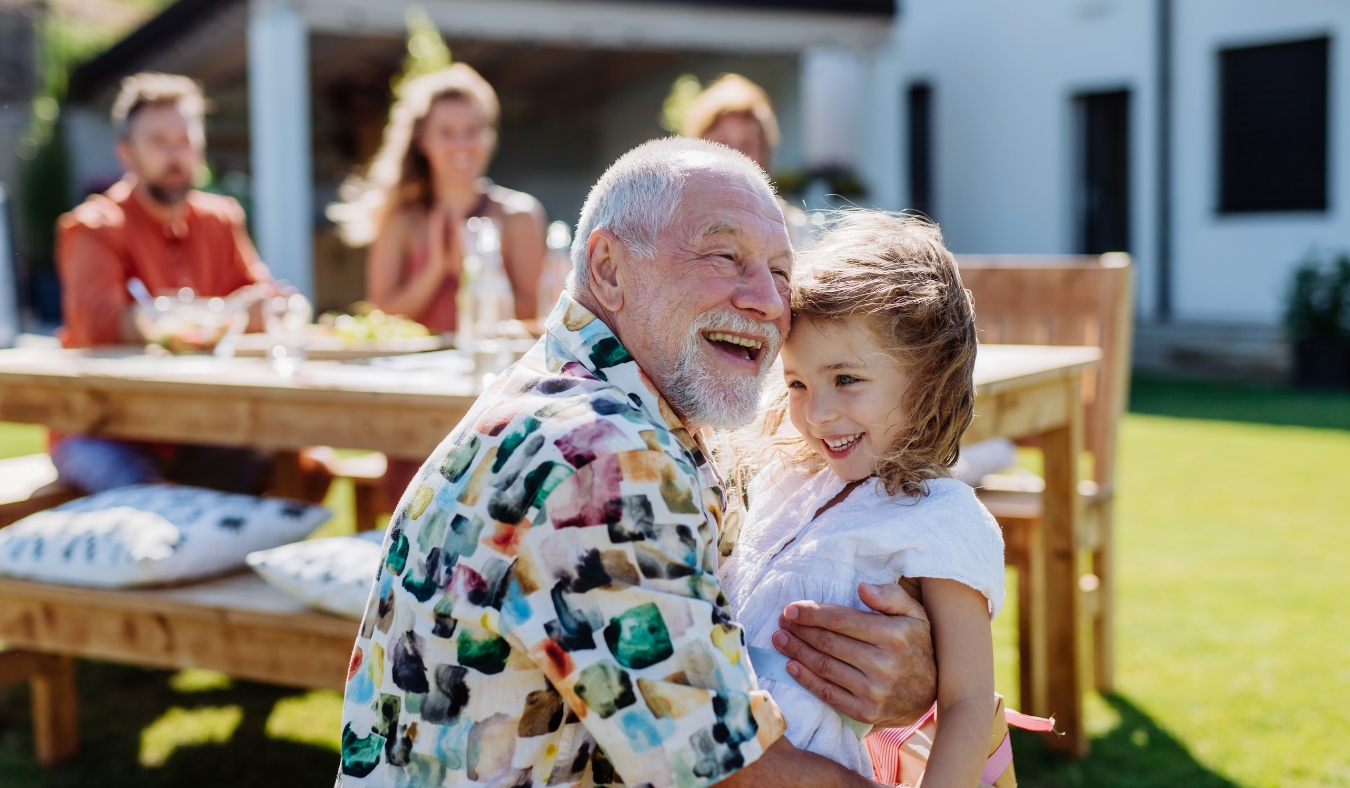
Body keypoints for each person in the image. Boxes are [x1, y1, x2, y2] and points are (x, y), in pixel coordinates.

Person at [337, 138, 936, 787]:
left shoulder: (579, 392)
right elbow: (729, 775)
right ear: (610, 269)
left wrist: (901, 682)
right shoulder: (606, 458)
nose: (767, 300)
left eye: (781, 272)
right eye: (724, 256)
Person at [721, 212, 1011, 786]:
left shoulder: (942, 518)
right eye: (798, 383)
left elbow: (969, 704)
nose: (817, 412)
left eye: (847, 380)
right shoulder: (788, 483)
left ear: (927, 377)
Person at [52, 73, 329, 499]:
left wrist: (248, 310)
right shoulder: (93, 227)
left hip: (199, 423)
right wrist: (227, 313)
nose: (175, 153)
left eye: (184, 139)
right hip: (103, 428)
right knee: (158, 510)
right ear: (126, 153)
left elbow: (267, 302)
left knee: (310, 468)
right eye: (159, 142)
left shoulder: (220, 219)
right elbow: (100, 325)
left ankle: (247, 566)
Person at [330, 63, 548, 506]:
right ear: (423, 141)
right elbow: (383, 315)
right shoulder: (401, 218)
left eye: (473, 130)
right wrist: (436, 270)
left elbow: (537, 312)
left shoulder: (519, 215)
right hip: (416, 399)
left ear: (489, 137)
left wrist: (477, 272)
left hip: (494, 396)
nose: (462, 144)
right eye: (448, 132)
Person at [681, 74, 813, 248]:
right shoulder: (675, 223)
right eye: (721, 142)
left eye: (748, 144)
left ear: (765, 154)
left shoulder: (793, 228)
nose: (735, 154)